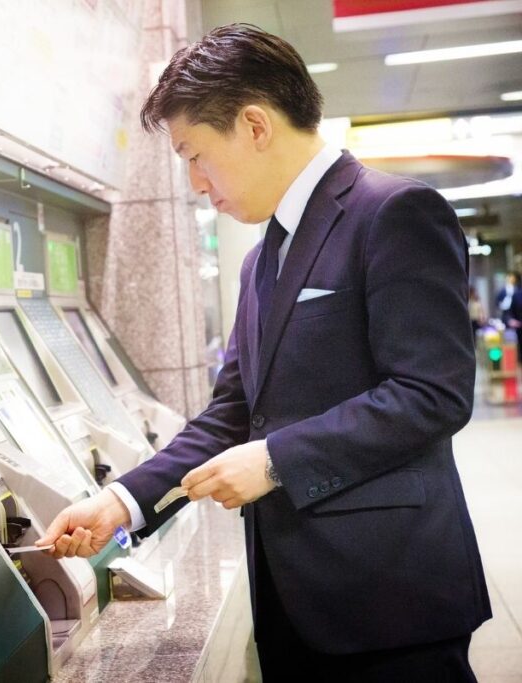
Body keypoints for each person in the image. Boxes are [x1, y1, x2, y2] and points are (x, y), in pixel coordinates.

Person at [37, 23, 489, 682]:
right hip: (292, 601)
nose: (196, 182)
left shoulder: (393, 213)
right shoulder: (262, 260)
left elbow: (432, 393)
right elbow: (233, 414)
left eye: (196, 154)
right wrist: (121, 503)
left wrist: (276, 458)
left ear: (254, 125)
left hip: (391, 600)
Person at [496, 272, 522, 338]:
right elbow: (497, 301)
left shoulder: (517, 289)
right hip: (507, 312)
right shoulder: (503, 290)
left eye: (512, 278)